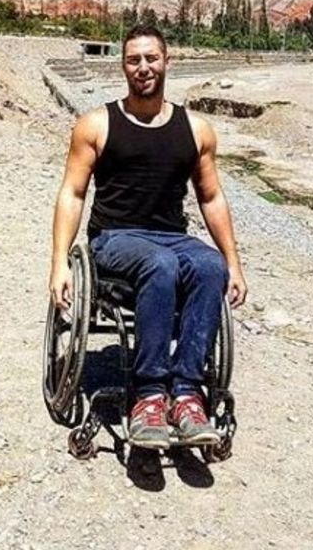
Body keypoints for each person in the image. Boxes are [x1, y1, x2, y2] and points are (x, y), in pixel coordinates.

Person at [49, 24, 247, 450]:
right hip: (113, 240)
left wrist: (233, 262)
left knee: (208, 265)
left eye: (151, 59)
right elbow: (73, 193)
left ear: (166, 62)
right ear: (123, 67)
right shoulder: (96, 125)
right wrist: (59, 262)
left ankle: (188, 394)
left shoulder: (196, 130)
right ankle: (149, 395)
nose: (143, 68)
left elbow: (211, 197)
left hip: (170, 236)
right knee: (161, 265)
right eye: (133, 60)